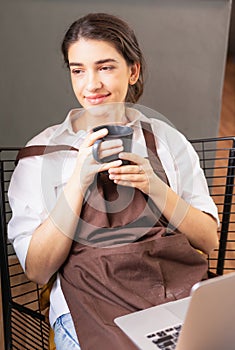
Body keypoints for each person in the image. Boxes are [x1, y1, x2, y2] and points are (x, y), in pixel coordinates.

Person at [8, 12, 219, 350]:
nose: (91, 84)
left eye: (105, 67)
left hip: (173, 298)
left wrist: (154, 187)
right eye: (78, 70)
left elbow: (208, 240)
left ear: (133, 70)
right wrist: (77, 182)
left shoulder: (166, 141)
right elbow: (37, 270)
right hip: (90, 307)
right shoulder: (42, 156)